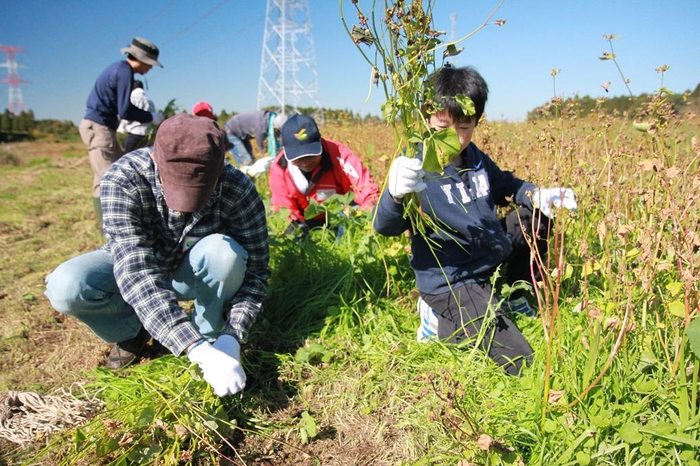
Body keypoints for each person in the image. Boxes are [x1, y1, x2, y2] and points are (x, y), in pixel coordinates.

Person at [45, 114, 270, 397]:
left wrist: (233, 335)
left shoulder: (238, 188)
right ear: (155, 160)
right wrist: (195, 350)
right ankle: (131, 331)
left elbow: (258, 270)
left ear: (219, 168)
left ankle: (211, 333)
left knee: (225, 253)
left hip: (193, 267)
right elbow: (135, 272)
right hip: (139, 262)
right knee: (66, 286)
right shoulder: (123, 178)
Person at [373, 65, 577, 376]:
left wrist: (538, 195)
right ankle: (439, 320)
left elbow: (506, 185)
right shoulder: (413, 165)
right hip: (454, 279)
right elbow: (384, 226)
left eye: (464, 127)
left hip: (488, 254)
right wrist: (395, 195)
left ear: (476, 122)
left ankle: (517, 293)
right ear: (426, 119)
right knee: (520, 360)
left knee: (536, 218)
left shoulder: (476, 158)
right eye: (442, 127)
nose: (454, 138)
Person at [79, 37, 165, 229]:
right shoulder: (125, 72)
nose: (150, 69)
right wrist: (151, 117)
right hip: (99, 128)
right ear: (141, 59)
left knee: (105, 176)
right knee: (110, 178)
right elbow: (125, 110)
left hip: (100, 126)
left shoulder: (117, 69)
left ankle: (107, 225)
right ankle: (112, 229)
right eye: (149, 64)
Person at [269, 114, 380, 235]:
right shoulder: (280, 167)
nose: (305, 162)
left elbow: (368, 191)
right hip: (305, 221)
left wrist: (362, 219)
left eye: (311, 155)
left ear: (320, 142)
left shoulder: (339, 154)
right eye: (298, 158)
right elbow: (284, 209)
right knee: (282, 226)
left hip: (340, 217)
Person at [192, 101, 273, 179]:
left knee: (250, 159)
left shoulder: (214, 130)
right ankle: (246, 180)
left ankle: (251, 180)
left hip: (240, 134)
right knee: (246, 160)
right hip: (232, 133)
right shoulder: (194, 135)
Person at [117, 80, 156, 154]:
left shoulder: (132, 98)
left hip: (134, 132)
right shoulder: (149, 101)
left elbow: (127, 114)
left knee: (127, 157)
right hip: (146, 134)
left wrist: (121, 127)